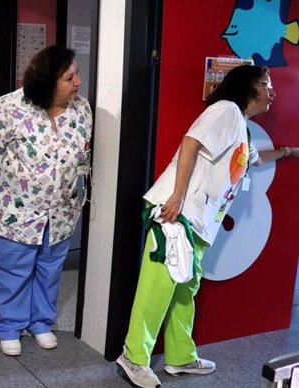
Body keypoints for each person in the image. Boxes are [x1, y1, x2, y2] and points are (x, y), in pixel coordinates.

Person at [116, 65, 299, 388]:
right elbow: (190, 143)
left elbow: (255, 159)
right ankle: (133, 357)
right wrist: (176, 197)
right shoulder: (226, 110)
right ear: (248, 87)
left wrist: (289, 151)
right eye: (266, 84)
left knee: (185, 289)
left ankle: (180, 357)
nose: (272, 92)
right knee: (158, 286)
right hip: (178, 214)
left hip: (198, 223)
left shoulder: (241, 126)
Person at [0, 45, 92, 356]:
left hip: (61, 212)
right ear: (47, 81)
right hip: (16, 210)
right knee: (14, 270)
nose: (78, 82)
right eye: (70, 77)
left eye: (76, 74)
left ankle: (41, 322)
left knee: (49, 270)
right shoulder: (12, 107)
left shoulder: (82, 110)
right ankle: (10, 326)